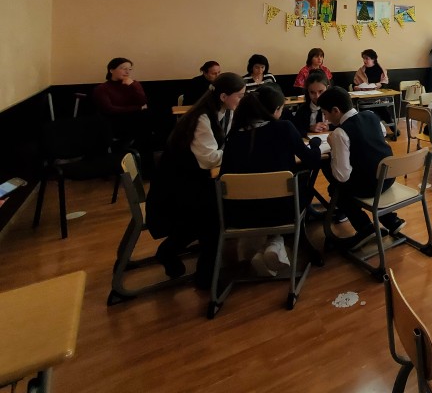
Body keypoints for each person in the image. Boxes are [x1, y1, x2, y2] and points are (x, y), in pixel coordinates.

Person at [146, 72, 245, 286]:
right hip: (176, 185)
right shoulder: (201, 118)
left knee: (217, 210)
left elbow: (223, 144)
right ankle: (204, 276)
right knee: (214, 217)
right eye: (239, 95)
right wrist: (237, 152)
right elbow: (209, 159)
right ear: (223, 96)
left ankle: (172, 250)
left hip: (191, 179)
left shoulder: (223, 112)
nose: (242, 99)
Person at [220, 84, 325, 276]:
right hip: (284, 211)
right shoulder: (283, 128)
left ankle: (271, 244)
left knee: (268, 196)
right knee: (297, 184)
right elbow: (312, 160)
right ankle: (276, 243)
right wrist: (316, 145)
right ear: (276, 110)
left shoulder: (233, 136)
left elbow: (223, 177)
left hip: (240, 214)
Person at [317, 86, 404, 250]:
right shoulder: (371, 115)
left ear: (335, 111)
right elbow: (382, 133)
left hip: (370, 186)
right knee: (367, 169)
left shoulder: (340, 133)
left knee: (335, 188)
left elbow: (342, 176)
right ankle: (391, 220)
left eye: (325, 113)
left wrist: (334, 148)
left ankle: (365, 227)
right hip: (388, 178)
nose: (325, 118)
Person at [92, 57, 155, 159]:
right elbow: (109, 109)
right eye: (123, 68)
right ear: (111, 70)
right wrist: (137, 108)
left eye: (129, 69)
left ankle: (142, 160)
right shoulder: (102, 88)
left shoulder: (133, 84)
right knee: (144, 123)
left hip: (135, 121)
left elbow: (143, 102)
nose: (127, 72)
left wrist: (133, 85)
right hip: (114, 122)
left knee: (146, 117)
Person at [291, 72, 330, 136]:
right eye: (312, 92)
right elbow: (296, 131)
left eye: (320, 91)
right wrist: (310, 128)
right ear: (308, 92)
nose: (317, 96)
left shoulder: (334, 108)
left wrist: (329, 127)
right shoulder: (302, 110)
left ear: (327, 88)